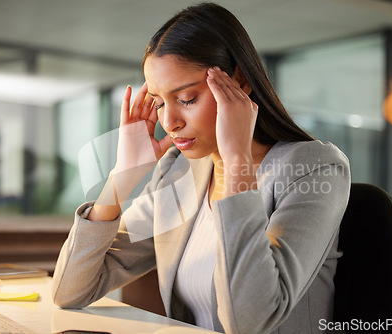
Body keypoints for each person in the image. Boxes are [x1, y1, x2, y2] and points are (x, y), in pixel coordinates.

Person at [51, 3, 351, 334]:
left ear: (239, 81)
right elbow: (71, 290)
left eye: (188, 98)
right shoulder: (180, 172)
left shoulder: (314, 169)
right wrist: (122, 176)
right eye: (160, 103)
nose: (169, 122)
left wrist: (235, 162)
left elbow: (251, 320)